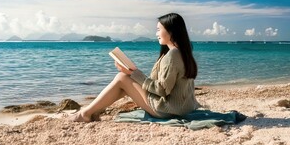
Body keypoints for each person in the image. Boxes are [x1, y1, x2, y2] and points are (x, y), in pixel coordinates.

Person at [70, 13, 200, 122]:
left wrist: (135, 73)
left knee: (122, 77)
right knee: (124, 82)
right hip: (182, 108)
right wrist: (133, 73)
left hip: (168, 110)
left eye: (159, 29)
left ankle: (85, 114)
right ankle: (92, 112)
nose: (156, 34)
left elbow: (162, 90)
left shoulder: (173, 54)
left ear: (171, 31)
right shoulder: (182, 52)